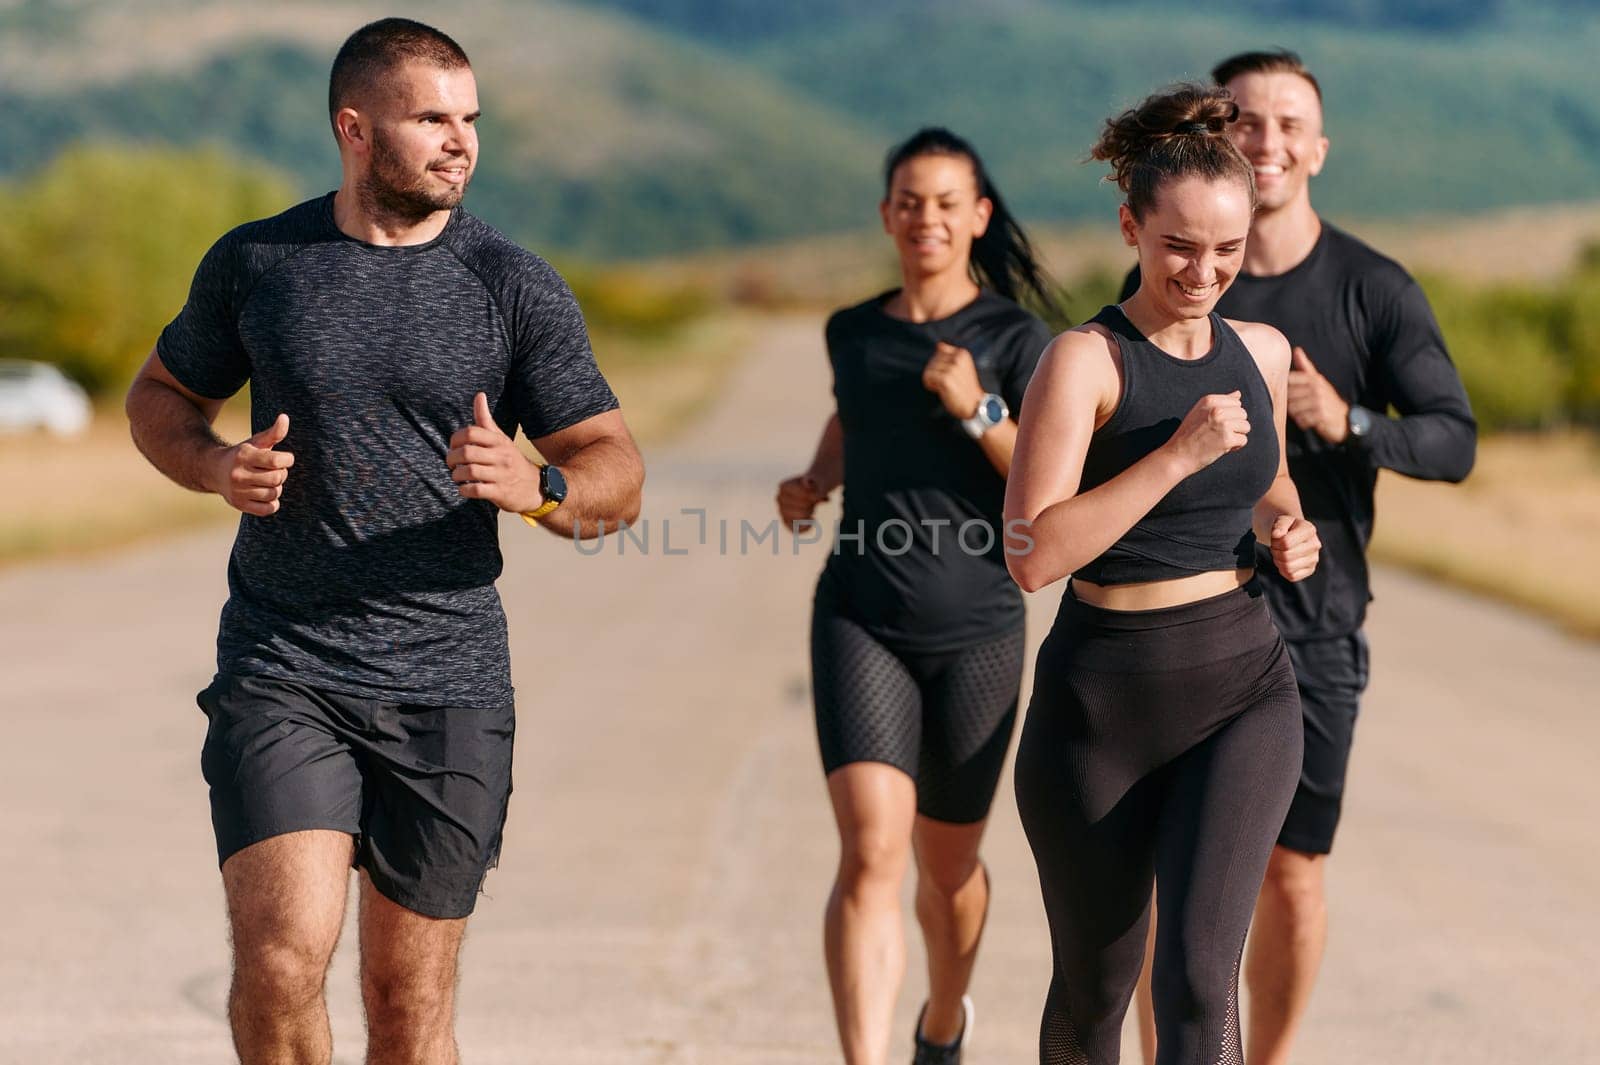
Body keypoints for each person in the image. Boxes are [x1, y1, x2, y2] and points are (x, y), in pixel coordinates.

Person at [124, 18, 644, 1064]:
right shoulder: (260, 263)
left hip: (448, 678)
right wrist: (216, 465)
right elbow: (160, 397)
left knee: (406, 1003)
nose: (462, 141)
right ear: (355, 129)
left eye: (471, 119)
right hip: (284, 662)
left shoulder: (511, 282)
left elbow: (616, 475)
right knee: (279, 963)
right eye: (432, 119)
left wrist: (538, 486)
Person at [1121, 51, 1477, 1065]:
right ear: (1214, 139)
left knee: (1289, 874)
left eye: (1289, 125)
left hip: (1313, 626)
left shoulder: (1373, 288)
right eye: (1247, 121)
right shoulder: (1172, 275)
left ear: (1317, 149)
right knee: (1166, 879)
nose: (1266, 141)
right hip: (1175, 613)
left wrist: (1348, 420)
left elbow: (1452, 439)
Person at [1005, 84, 1322, 1064]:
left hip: (1240, 689)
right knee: (1094, 994)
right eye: (1180, 246)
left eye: (1227, 250)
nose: (1204, 271)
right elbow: (1033, 553)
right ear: (1130, 225)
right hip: (1096, 706)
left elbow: (1266, 480)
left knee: (1193, 980)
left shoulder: (1259, 351)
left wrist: (1290, 525)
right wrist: (1173, 458)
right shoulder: (1085, 362)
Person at [775, 127, 1058, 1065]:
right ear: (887, 212)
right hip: (862, 615)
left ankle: (943, 1019)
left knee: (948, 869)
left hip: (979, 629)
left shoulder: (1019, 341)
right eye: (909, 199)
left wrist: (978, 407)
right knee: (870, 852)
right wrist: (814, 479)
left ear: (978, 216)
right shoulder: (853, 330)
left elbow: (1046, 483)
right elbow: (851, 417)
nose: (925, 217)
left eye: (946, 201)